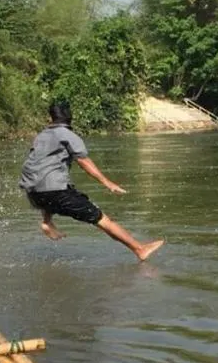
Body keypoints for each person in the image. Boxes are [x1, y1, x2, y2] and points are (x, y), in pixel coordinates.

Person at [19, 101, 164, 262]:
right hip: (56, 192)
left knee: (49, 185)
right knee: (102, 219)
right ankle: (140, 249)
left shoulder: (41, 137)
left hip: (33, 193)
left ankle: (47, 222)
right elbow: (84, 161)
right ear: (70, 117)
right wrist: (107, 183)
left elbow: (38, 168)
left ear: (50, 118)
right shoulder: (69, 136)